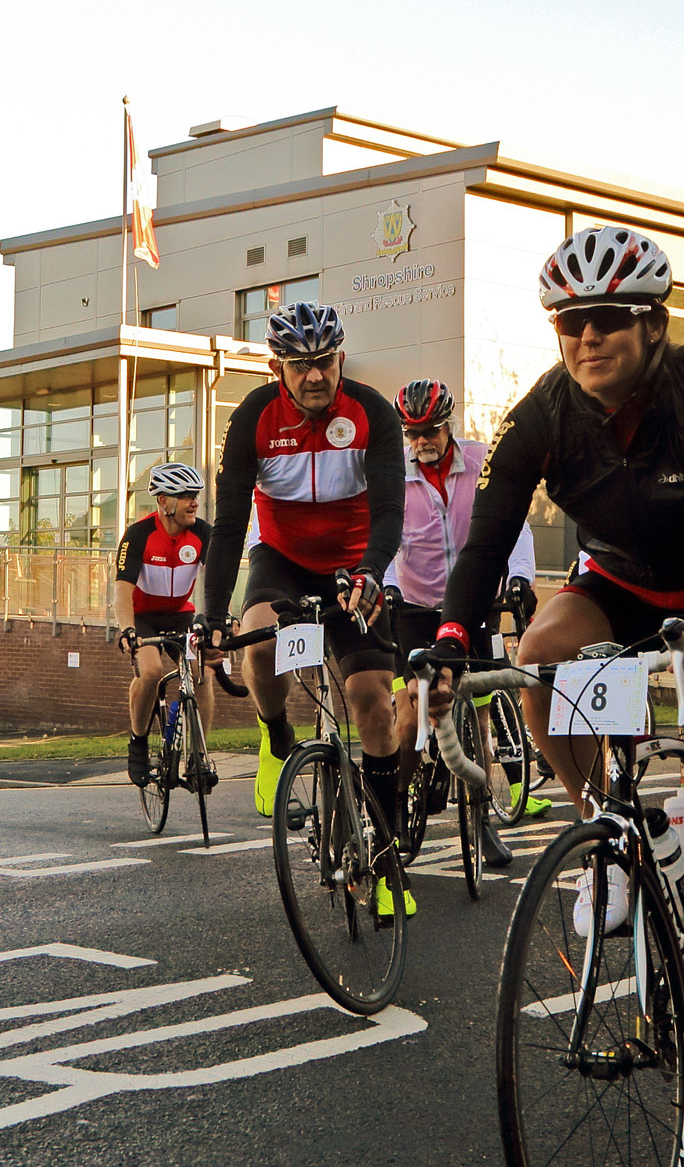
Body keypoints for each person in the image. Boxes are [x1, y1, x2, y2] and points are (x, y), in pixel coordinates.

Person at [427, 226, 684, 1126]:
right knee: (536, 661)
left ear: (652, 324)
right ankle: (611, 830)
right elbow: (487, 537)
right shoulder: (544, 413)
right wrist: (452, 633)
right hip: (621, 585)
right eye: (568, 323)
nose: (585, 338)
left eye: (606, 319)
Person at [196, 300, 409, 911]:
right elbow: (231, 522)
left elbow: (390, 510)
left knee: (372, 702)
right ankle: (276, 735)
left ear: (340, 359)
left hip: (354, 563)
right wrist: (214, 614)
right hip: (282, 560)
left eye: (323, 362)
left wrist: (371, 571)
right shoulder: (253, 418)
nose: (314, 376)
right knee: (257, 642)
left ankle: (390, 864)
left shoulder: (371, 411)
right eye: (299, 365)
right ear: (276, 367)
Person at [382, 377, 548, 851]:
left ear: (448, 426)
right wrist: (389, 588)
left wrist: (519, 578)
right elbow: (388, 538)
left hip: (472, 604)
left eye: (429, 431)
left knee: (477, 720)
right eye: (411, 434)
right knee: (411, 713)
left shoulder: (480, 461)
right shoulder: (395, 472)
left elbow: (513, 527)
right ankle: (394, 802)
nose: (421, 443)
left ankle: (479, 821)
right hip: (413, 607)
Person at [116, 461, 214, 787]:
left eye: (195, 495)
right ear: (163, 501)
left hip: (181, 615)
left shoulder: (202, 533)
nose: (194, 502)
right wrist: (127, 631)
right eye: (184, 495)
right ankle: (138, 740)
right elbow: (121, 593)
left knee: (201, 673)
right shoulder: (138, 535)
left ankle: (199, 755)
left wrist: (218, 619)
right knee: (152, 671)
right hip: (142, 617)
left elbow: (217, 581)